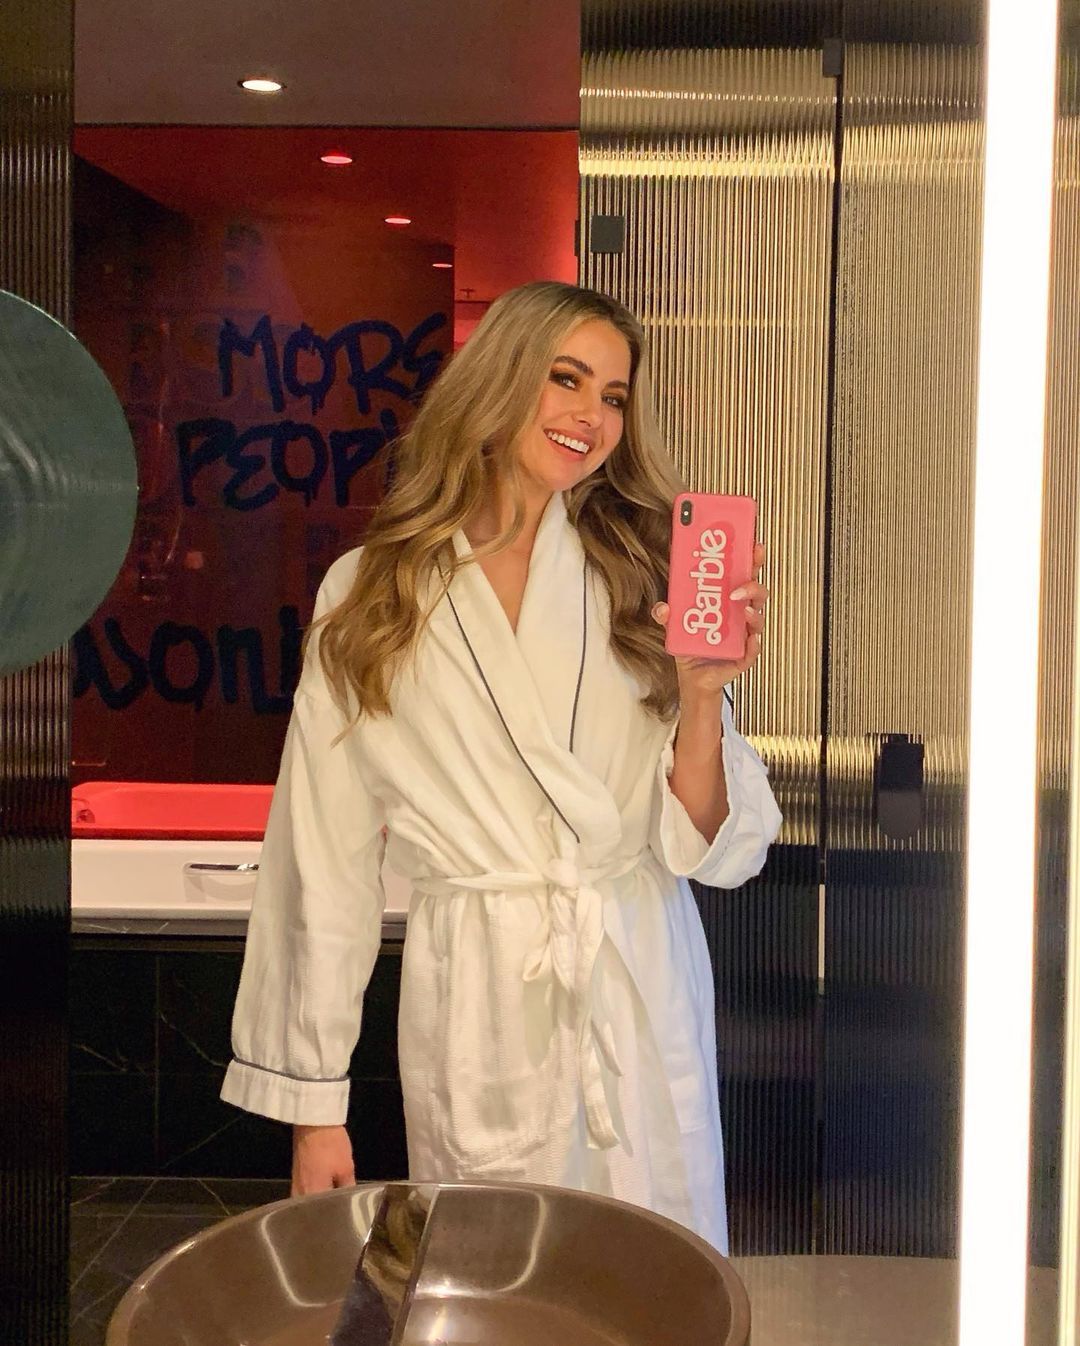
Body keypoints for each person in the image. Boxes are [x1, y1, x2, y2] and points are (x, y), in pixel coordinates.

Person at [221, 280, 782, 1254]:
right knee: (494, 1274)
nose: (592, 415)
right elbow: (324, 855)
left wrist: (701, 696)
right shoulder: (374, 592)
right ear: (501, 377)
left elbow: (704, 843)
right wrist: (315, 1104)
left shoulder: (640, 570)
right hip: (481, 992)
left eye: (613, 395)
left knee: (656, 1274)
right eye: (567, 379)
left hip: (635, 969)